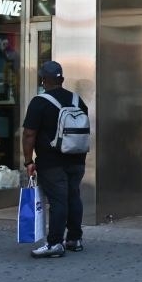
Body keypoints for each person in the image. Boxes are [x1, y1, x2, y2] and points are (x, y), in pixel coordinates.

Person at [23, 61, 89, 258]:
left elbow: (29, 134)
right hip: (77, 158)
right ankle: (74, 239)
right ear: (62, 79)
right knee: (74, 197)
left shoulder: (40, 102)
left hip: (51, 161)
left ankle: (54, 243)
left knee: (58, 201)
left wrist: (28, 160)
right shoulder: (77, 100)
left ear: (43, 80)